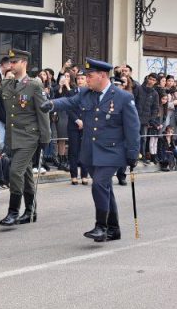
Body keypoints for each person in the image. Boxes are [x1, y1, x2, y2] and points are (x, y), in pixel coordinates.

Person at [48, 58, 140, 242]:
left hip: (112, 152)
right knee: (105, 188)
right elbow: (68, 101)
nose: (86, 79)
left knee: (98, 184)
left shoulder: (123, 97)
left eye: (89, 76)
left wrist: (132, 154)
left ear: (103, 76)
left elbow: (132, 129)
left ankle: (101, 226)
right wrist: (51, 105)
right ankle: (114, 229)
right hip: (90, 151)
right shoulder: (85, 93)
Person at [0, 48, 51, 226]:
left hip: (29, 137)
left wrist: (45, 137)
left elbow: (43, 113)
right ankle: (30, 211)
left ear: (24, 63)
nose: (11, 65)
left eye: (14, 62)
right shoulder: (7, 84)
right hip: (14, 137)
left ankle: (13, 212)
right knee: (26, 174)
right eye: (10, 62)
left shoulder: (34, 84)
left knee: (15, 172)